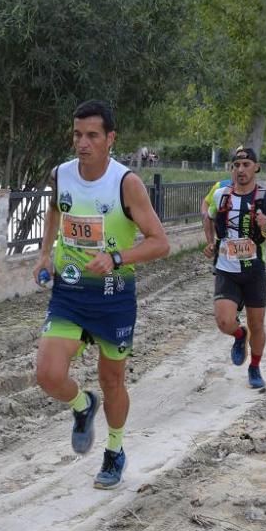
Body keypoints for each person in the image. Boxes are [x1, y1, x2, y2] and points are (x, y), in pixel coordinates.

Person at [33, 99, 170, 490]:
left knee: (112, 380)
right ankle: (82, 405)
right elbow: (55, 213)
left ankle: (114, 450)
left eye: (92, 135)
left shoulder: (126, 183)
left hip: (113, 296)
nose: (83, 143)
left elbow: (160, 243)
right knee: (48, 374)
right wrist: (46, 254)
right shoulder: (60, 175)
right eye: (77, 134)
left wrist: (116, 256)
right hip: (70, 291)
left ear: (110, 138)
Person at [204, 148, 266, 388]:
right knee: (223, 321)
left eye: (246, 164)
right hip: (226, 268)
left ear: (256, 167)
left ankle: (255, 367)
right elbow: (207, 215)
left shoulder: (265, 199)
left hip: (254, 271)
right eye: (236, 165)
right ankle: (239, 336)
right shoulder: (221, 195)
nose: (241, 169)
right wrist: (210, 242)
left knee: (257, 324)